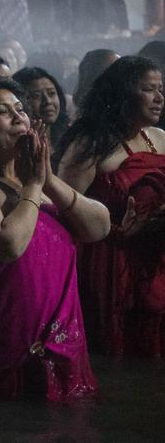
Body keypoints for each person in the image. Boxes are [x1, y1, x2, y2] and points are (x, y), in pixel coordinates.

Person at [0, 78, 108, 400]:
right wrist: (33, 186)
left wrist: (48, 181)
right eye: (3, 112)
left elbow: (99, 227)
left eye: (20, 109)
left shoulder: (38, 184)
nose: (18, 117)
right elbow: (8, 246)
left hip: (63, 343)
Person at [56, 56, 165, 357]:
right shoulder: (90, 145)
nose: (159, 98)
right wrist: (117, 230)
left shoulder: (160, 138)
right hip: (108, 263)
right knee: (116, 351)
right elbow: (62, 211)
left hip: (155, 259)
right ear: (123, 94)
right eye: (149, 89)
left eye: (161, 89)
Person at [13, 67, 71, 148]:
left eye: (51, 93)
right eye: (36, 96)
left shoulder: (70, 136)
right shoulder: (15, 145)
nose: (48, 101)